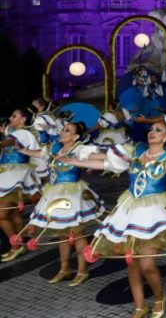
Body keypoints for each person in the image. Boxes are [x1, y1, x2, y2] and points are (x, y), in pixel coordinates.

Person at [66, 122, 166, 318]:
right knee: (132, 262)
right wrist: (75, 162)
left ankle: (159, 297)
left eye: (158, 130)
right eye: (151, 130)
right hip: (129, 211)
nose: (152, 133)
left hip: (154, 212)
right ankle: (139, 306)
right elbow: (105, 163)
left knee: (147, 265)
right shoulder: (135, 152)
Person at [16, 121, 105, 286]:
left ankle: (82, 271)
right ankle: (64, 269)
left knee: (77, 234)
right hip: (54, 194)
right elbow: (39, 153)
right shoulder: (54, 148)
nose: (62, 132)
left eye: (67, 130)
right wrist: (23, 150)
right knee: (62, 234)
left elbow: (97, 156)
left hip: (72, 195)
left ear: (76, 136)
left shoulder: (79, 149)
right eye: (63, 129)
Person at [0, 109, 42, 262]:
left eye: (14, 115)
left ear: (23, 119)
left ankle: (15, 246)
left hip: (15, 176)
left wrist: (2, 143)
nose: (11, 118)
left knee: (2, 215)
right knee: (12, 213)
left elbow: (10, 142)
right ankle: (20, 245)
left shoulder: (22, 133)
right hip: (9, 175)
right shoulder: (17, 132)